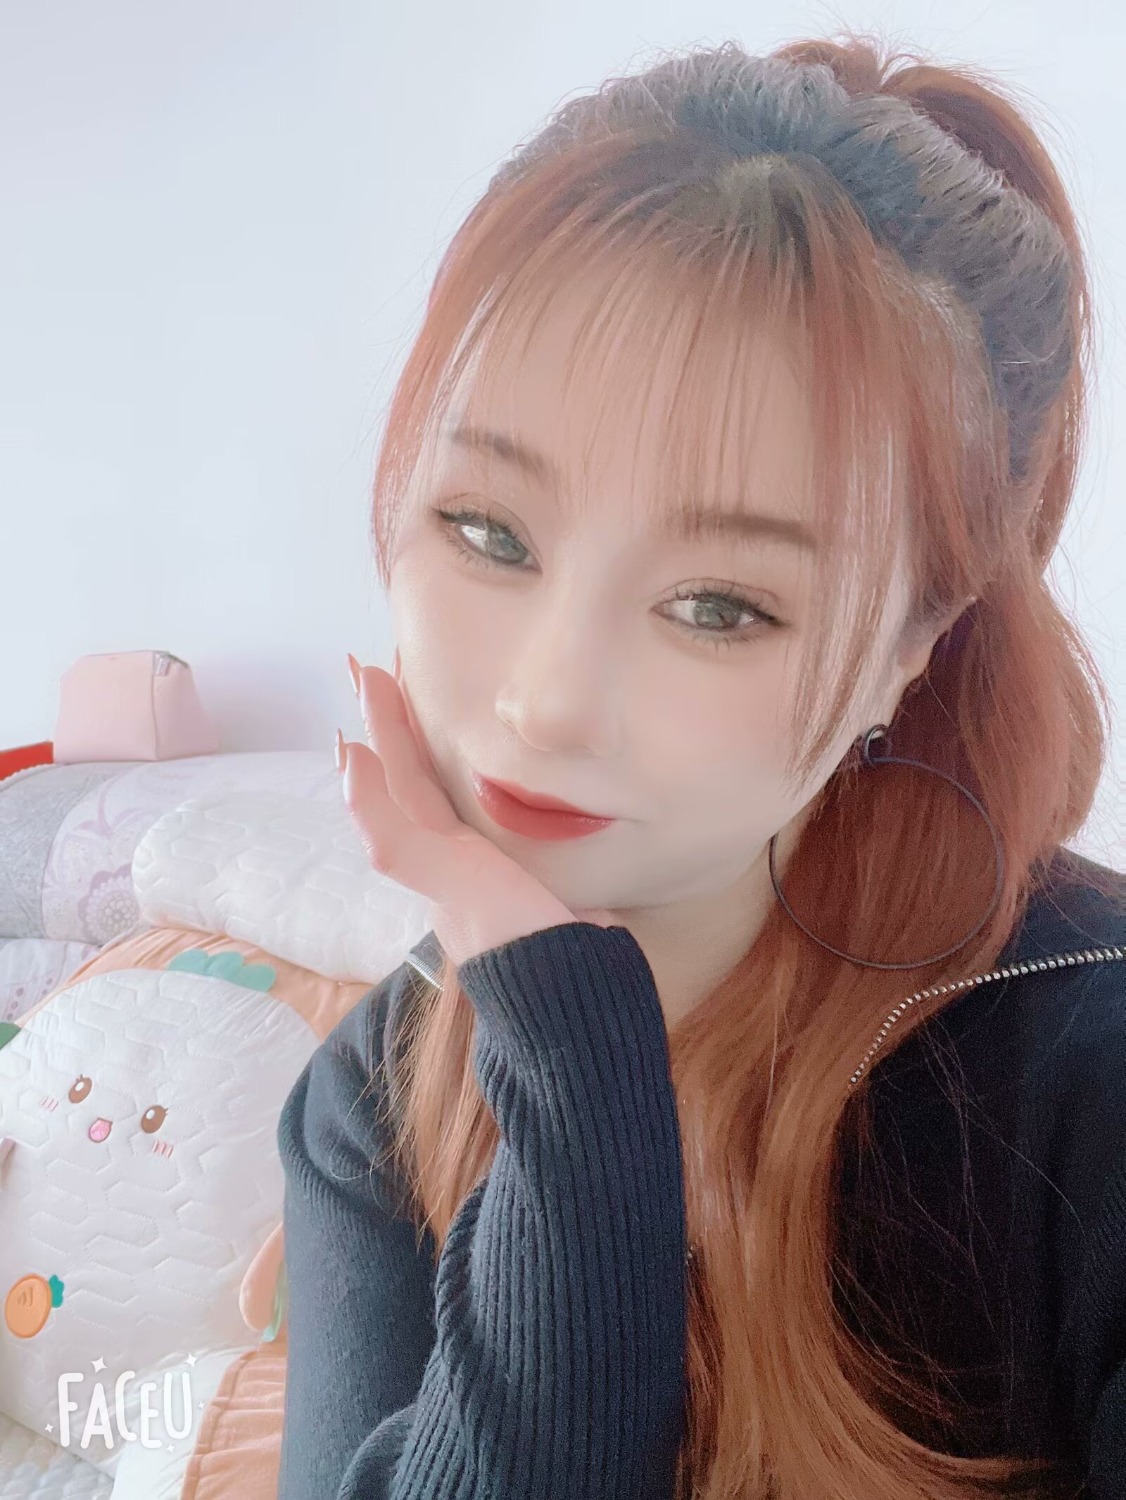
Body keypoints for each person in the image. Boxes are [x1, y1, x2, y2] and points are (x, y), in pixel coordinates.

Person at [276, 31, 1126, 1500]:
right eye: (487, 531)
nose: (544, 703)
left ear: (912, 650)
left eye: (720, 606)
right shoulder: (387, 1082)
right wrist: (571, 1079)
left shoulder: (1083, 1070)